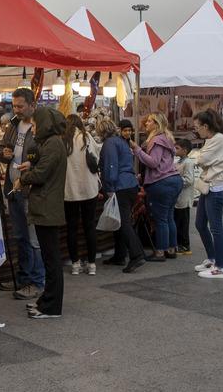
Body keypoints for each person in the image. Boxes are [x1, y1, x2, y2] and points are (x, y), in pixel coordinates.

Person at [15, 106, 68, 319]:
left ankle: (51, 307)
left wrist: (23, 179)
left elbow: (42, 173)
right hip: (46, 206)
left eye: (35, 125)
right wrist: (32, 163)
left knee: (51, 259)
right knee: (49, 258)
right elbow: (43, 165)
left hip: (48, 207)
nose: (33, 129)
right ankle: (47, 300)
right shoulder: (50, 143)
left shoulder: (53, 143)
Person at [0, 88, 45, 301]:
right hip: (13, 186)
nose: (15, 110)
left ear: (31, 105)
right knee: (20, 236)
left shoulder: (40, 127)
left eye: (20, 106)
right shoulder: (14, 125)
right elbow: (2, 150)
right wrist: (4, 154)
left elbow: (47, 157)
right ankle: (23, 278)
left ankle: (37, 282)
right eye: (14, 106)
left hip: (30, 189)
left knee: (34, 239)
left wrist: (32, 164)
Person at [95, 117, 145, 272]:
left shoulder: (109, 143)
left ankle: (136, 255)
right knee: (120, 220)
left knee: (123, 222)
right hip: (130, 184)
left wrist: (108, 187)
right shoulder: (121, 142)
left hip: (120, 186)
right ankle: (119, 255)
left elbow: (111, 167)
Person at [130, 113, 183, 261]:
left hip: (162, 183)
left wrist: (137, 150)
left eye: (149, 121)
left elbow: (153, 162)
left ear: (156, 124)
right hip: (173, 180)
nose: (146, 123)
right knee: (168, 217)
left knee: (161, 219)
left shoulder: (157, 140)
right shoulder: (167, 139)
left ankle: (160, 252)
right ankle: (171, 249)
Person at [191, 110, 223, 279]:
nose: (196, 130)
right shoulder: (211, 140)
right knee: (200, 224)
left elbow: (201, 159)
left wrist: (200, 157)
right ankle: (212, 258)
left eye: (197, 127)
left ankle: (220, 267)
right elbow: (203, 158)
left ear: (206, 126)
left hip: (217, 188)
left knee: (216, 228)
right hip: (208, 186)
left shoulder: (219, 139)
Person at [63, 113, 101, 275]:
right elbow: (96, 158)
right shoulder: (86, 138)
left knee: (71, 228)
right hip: (89, 188)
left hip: (69, 190)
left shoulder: (62, 141)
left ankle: (75, 264)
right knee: (89, 226)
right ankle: (92, 264)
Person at [173, 138, 196, 256]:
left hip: (184, 198)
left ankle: (185, 245)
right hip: (178, 198)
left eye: (177, 148)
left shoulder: (188, 163)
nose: (174, 150)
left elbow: (189, 180)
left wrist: (176, 180)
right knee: (178, 221)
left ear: (185, 150)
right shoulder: (179, 161)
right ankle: (179, 244)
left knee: (183, 223)